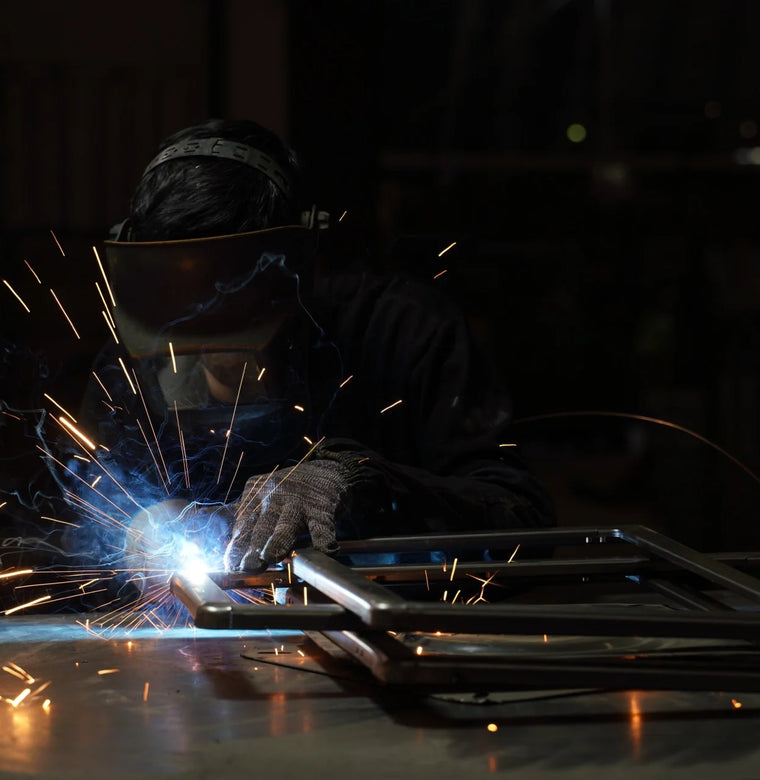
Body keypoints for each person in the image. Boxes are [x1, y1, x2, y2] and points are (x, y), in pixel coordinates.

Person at [63, 118, 554, 575]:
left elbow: (524, 520)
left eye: (234, 286)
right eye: (184, 295)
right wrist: (129, 538)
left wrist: (363, 483)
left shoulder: (401, 333)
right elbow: (63, 541)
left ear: (292, 265)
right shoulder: (126, 374)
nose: (208, 321)